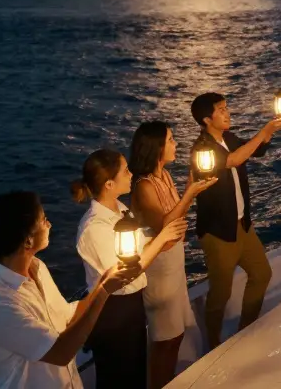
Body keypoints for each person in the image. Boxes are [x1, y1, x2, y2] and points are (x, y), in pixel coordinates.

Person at [0, 191, 141, 389]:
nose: (49, 225)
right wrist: (103, 292)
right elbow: (61, 352)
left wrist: (104, 284)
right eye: (43, 220)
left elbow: (69, 316)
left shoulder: (37, 267)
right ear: (28, 241)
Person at [72, 149, 185, 389]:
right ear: (110, 184)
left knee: (134, 374)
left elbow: (141, 246)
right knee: (117, 378)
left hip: (131, 306)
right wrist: (163, 237)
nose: (131, 173)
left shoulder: (119, 210)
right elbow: (125, 274)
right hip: (112, 311)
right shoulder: (95, 227)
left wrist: (162, 238)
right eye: (125, 171)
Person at [189, 92, 281, 349]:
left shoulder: (228, 138)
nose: (227, 112)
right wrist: (262, 131)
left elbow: (254, 151)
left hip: (243, 225)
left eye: (226, 107)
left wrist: (270, 131)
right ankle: (212, 343)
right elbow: (233, 160)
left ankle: (246, 330)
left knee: (261, 273)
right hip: (218, 231)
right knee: (221, 293)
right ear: (206, 119)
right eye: (221, 109)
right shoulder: (202, 149)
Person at [129, 120, 218, 389]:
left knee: (176, 335)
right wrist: (190, 193)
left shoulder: (163, 176)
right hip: (159, 271)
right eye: (170, 140)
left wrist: (190, 189)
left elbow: (175, 215)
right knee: (164, 339)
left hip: (174, 266)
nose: (175, 144)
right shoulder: (144, 186)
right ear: (156, 147)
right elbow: (164, 225)